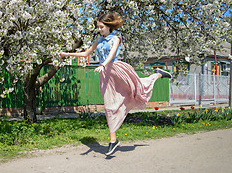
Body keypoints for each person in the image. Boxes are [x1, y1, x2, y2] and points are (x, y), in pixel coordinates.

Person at [59, 12, 172, 156]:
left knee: (138, 88)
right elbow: (86, 53)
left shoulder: (116, 38)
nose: (99, 30)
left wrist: (103, 64)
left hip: (116, 70)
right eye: (98, 27)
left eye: (101, 27)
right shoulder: (99, 39)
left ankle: (158, 74)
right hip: (106, 76)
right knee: (109, 105)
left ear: (108, 26)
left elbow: (112, 54)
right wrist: (67, 54)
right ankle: (113, 140)